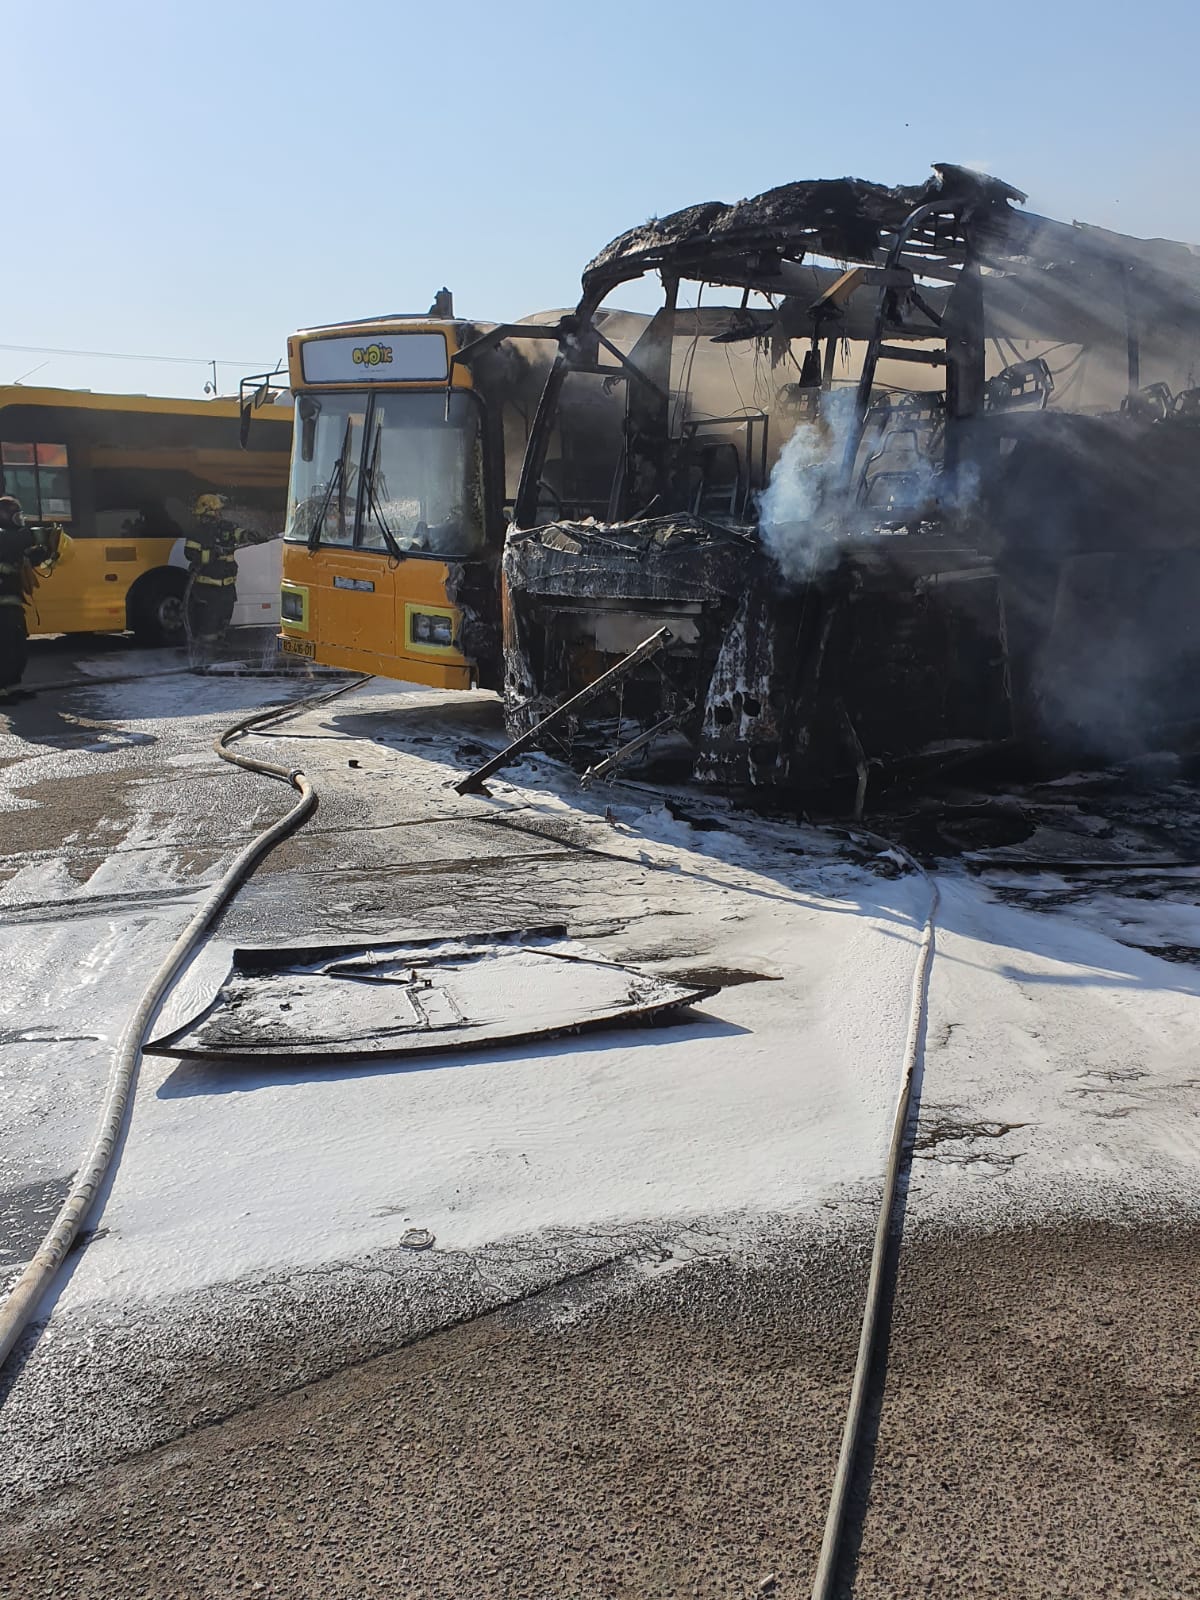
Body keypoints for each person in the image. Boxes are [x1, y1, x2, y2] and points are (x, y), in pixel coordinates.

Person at [184, 493, 274, 650]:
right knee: (209, 624)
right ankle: (205, 654)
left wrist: (251, 536)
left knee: (224, 620)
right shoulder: (197, 533)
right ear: (209, 512)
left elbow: (238, 533)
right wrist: (212, 554)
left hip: (227, 587)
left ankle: (218, 647)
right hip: (208, 589)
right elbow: (190, 554)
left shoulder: (226, 527)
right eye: (217, 511)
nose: (219, 514)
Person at [0, 495, 58, 704]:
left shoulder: (12, 539)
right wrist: (38, 535)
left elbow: (25, 559)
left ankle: (12, 687)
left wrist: (45, 552)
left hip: (11, 603)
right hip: (2, 605)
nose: (19, 519)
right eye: (16, 515)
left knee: (17, 647)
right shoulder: (5, 537)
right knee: (5, 648)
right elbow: (12, 541)